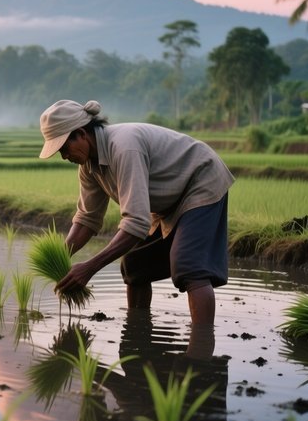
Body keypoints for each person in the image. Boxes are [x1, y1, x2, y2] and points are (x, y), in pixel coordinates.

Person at [38, 99, 234, 323]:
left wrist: (90, 267)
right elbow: (87, 220)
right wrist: (60, 256)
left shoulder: (124, 147)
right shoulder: (89, 168)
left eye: (64, 148)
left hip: (200, 181)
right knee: (134, 265)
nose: (64, 156)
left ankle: (200, 349)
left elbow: (137, 223)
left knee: (189, 266)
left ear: (81, 134)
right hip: (168, 202)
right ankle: (137, 333)